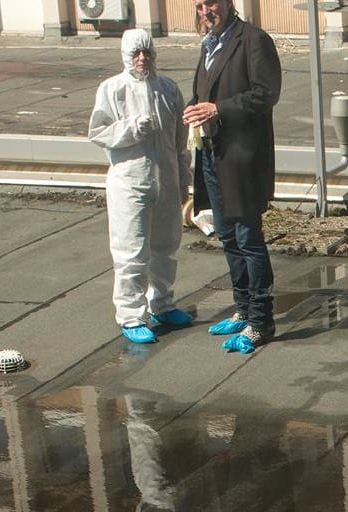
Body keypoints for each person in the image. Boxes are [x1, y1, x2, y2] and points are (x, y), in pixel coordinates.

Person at [183, 0, 280, 355]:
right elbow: (205, 92)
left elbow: (267, 94)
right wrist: (196, 107)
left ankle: (262, 322)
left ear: (227, 3)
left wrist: (218, 108)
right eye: (199, 5)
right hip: (212, 155)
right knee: (226, 234)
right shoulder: (210, 43)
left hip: (242, 159)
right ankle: (243, 308)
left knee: (247, 237)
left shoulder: (253, 40)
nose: (206, 11)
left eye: (212, 3)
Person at [89, 29, 193, 346]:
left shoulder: (168, 89)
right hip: (130, 183)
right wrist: (130, 130)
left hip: (165, 178)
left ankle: (162, 303)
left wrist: (184, 180)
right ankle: (131, 315)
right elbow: (98, 132)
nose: (142, 59)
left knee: (165, 245)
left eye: (147, 53)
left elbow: (181, 140)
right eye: (136, 54)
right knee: (131, 250)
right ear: (126, 56)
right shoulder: (113, 89)